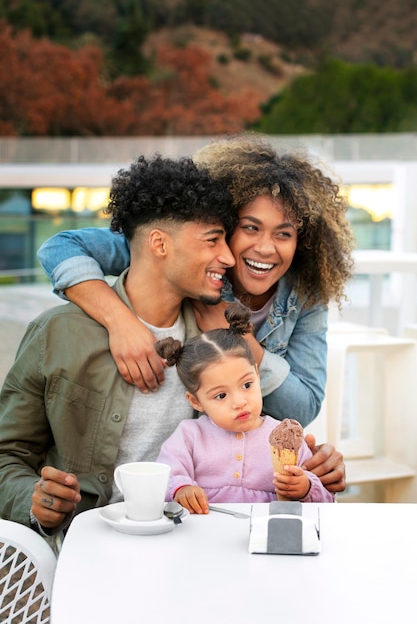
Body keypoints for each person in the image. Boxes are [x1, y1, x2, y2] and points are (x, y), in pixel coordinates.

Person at [37, 134, 354, 492]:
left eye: (284, 233)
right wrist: (119, 322)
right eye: (250, 227)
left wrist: (242, 341)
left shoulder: (305, 293)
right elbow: (60, 247)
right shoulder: (186, 260)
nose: (265, 248)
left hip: (244, 470)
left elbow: (303, 407)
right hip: (188, 467)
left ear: (303, 241)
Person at [0, 154, 237, 541]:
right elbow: (7, 454)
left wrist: (309, 468)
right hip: (86, 546)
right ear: (159, 243)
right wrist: (33, 498)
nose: (228, 256)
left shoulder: (217, 342)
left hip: (193, 540)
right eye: (213, 239)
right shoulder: (56, 333)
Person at [155, 301, 334, 514]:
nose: (240, 401)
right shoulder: (190, 436)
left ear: (257, 375)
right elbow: (163, 477)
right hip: (206, 534)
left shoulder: (283, 437)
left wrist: (304, 488)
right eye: (221, 395)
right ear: (196, 401)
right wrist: (181, 489)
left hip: (267, 533)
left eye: (247, 385)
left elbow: (327, 502)